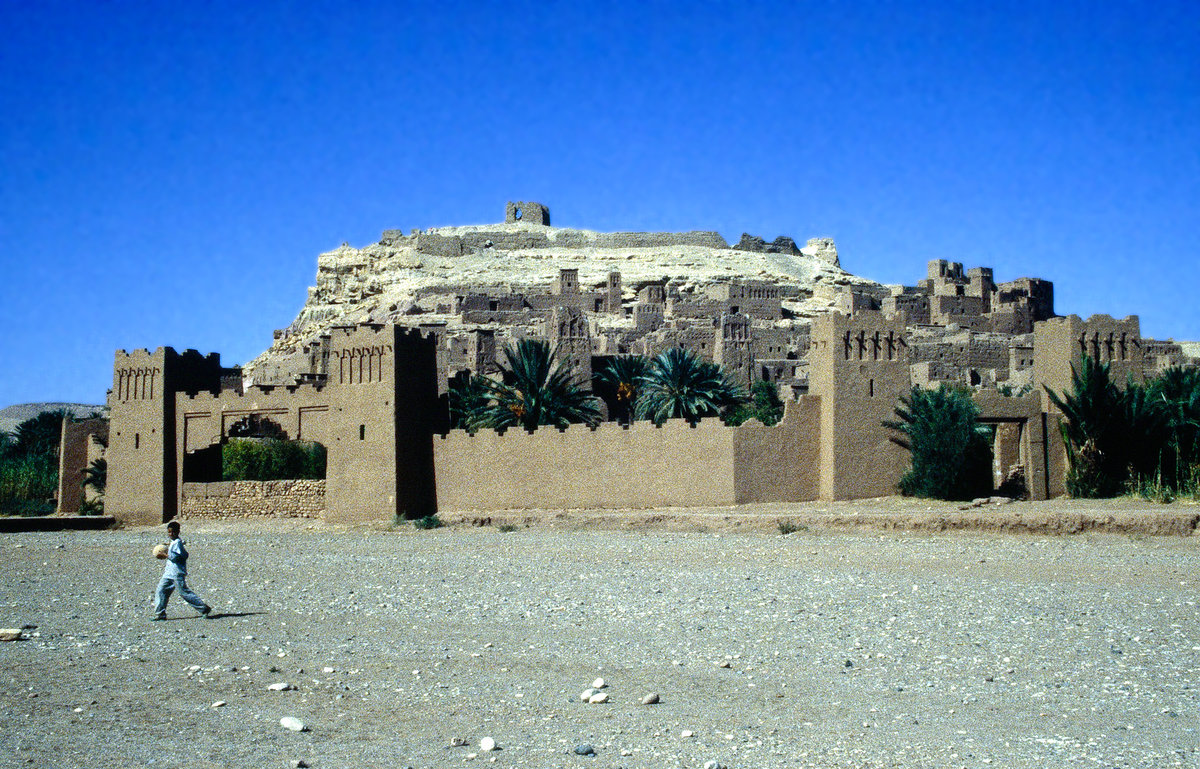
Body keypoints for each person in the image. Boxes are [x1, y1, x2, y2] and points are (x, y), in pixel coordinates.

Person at [152, 520, 213, 620]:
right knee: (161, 590)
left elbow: (178, 557)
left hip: (177, 573)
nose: (171, 534)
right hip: (169, 572)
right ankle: (160, 614)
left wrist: (165, 555)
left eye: (173, 532)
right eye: (169, 532)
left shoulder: (178, 543)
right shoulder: (173, 542)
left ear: (178, 532)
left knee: (183, 592)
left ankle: (204, 609)